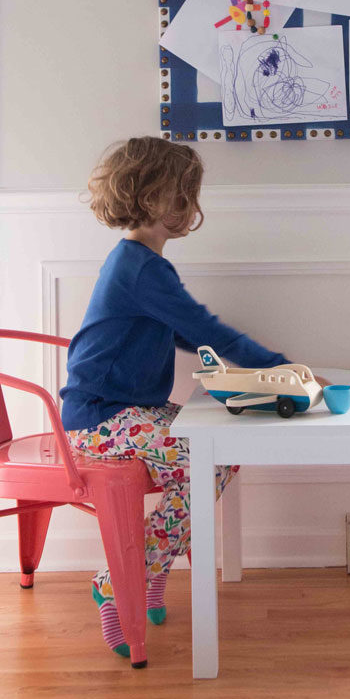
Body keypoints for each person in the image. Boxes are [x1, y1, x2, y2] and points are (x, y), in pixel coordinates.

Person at [60, 136, 288, 659]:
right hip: (101, 416)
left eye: (190, 193)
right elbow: (203, 326)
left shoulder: (141, 264)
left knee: (223, 453)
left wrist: (258, 367)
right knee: (207, 456)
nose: (188, 205)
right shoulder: (140, 267)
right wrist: (278, 369)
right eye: (179, 193)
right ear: (147, 196)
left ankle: (148, 570)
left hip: (130, 409)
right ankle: (118, 582)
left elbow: (189, 332)